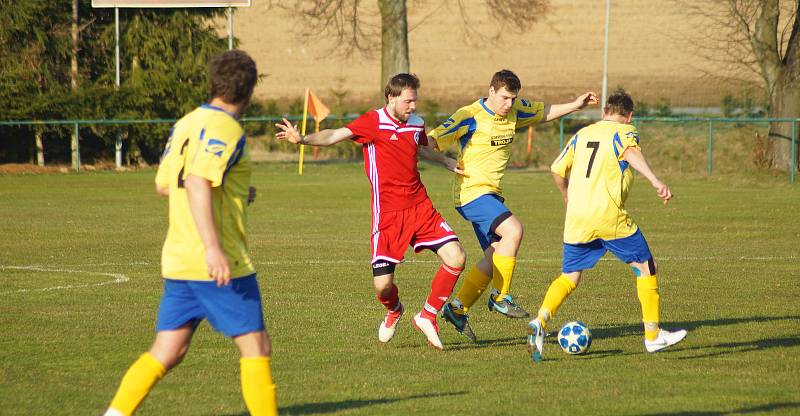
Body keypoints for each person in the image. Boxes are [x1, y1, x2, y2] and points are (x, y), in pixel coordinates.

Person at [104, 50, 277, 416]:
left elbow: (167, 184)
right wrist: (213, 249)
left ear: (213, 82)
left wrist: (233, 190)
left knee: (168, 351)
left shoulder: (186, 122)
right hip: (219, 263)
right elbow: (197, 180)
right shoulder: (227, 128)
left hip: (179, 259)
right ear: (248, 91)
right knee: (257, 347)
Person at [275, 73, 466, 350]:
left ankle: (427, 316)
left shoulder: (416, 124)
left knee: (457, 256)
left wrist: (445, 161)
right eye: (408, 101)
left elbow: (420, 149)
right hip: (387, 215)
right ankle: (395, 310)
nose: (413, 107)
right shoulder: (373, 121)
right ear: (391, 97)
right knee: (382, 287)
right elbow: (334, 136)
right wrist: (303, 139)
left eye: (415, 101)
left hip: (420, 206)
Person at [427, 69, 597, 341]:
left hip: (491, 195)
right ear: (491, 91)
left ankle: (457, 309)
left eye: (513, 98)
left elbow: (544, 112)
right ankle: (500, 296)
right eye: (504, 98)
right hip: (471, 193)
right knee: (514, 230)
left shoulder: (515, 110)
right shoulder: (469, 115)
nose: (509, 104)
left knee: (494, 256)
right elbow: (431, 140)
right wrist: (443, 160)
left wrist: (576, 104)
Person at [526, 91, 687, 362]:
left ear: (604, 112)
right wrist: (655, 180)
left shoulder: (583, 133)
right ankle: (653, 335)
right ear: (629, 116)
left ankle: (541, 320)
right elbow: (631, 153)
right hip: (608, 215)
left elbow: (556, 169)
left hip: (578, 218)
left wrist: (567, 196)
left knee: (569, 276)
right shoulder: (625, 132)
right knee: (647, 267)